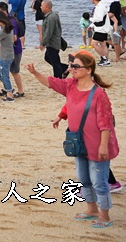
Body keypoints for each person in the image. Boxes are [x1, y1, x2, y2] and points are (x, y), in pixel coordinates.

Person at [27, 52, 118, 229]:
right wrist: (35, 72)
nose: (71, 69)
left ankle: (104, 215)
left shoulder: (98, 94)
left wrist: (103, 145)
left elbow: (105, 123)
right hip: (79, 143)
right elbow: (52, 83)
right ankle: (91, 209)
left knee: (99, 181)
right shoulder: (71, 85)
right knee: (84, 178)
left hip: (97, 144)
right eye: (71, 66)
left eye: (75, 66)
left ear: (88, 69)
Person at [40, 0, 67, 79]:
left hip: (53, 42)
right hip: (54, 41)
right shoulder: (53, 14)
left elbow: (49, 32)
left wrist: (43, 43)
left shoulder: (50, 18)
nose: (41, 8)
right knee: (48, 57)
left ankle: (57, 78)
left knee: (55, 61)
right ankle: (65, 68)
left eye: (42, 6)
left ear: (47, 7)